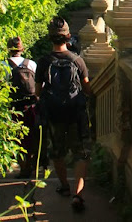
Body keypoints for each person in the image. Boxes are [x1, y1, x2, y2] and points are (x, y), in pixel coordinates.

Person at [35, 17, 92, 212]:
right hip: (75, 113)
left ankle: (64, 186)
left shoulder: (43, 62)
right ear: (68, 37)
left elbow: (37, 92)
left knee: (57, 152)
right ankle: (78, 194)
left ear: (50, 38)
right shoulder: (77, 61)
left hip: (54, 114)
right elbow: (87, 88)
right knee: (80, 153)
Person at [5, 36, 38, 179]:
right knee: (31, 136)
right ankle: (31, 164)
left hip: (14, 107)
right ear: (22, 49)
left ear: (8, 50)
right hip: (31, 106)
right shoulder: (31, 64)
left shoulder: (4, 65)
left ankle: (23, 167)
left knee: (17, 138)